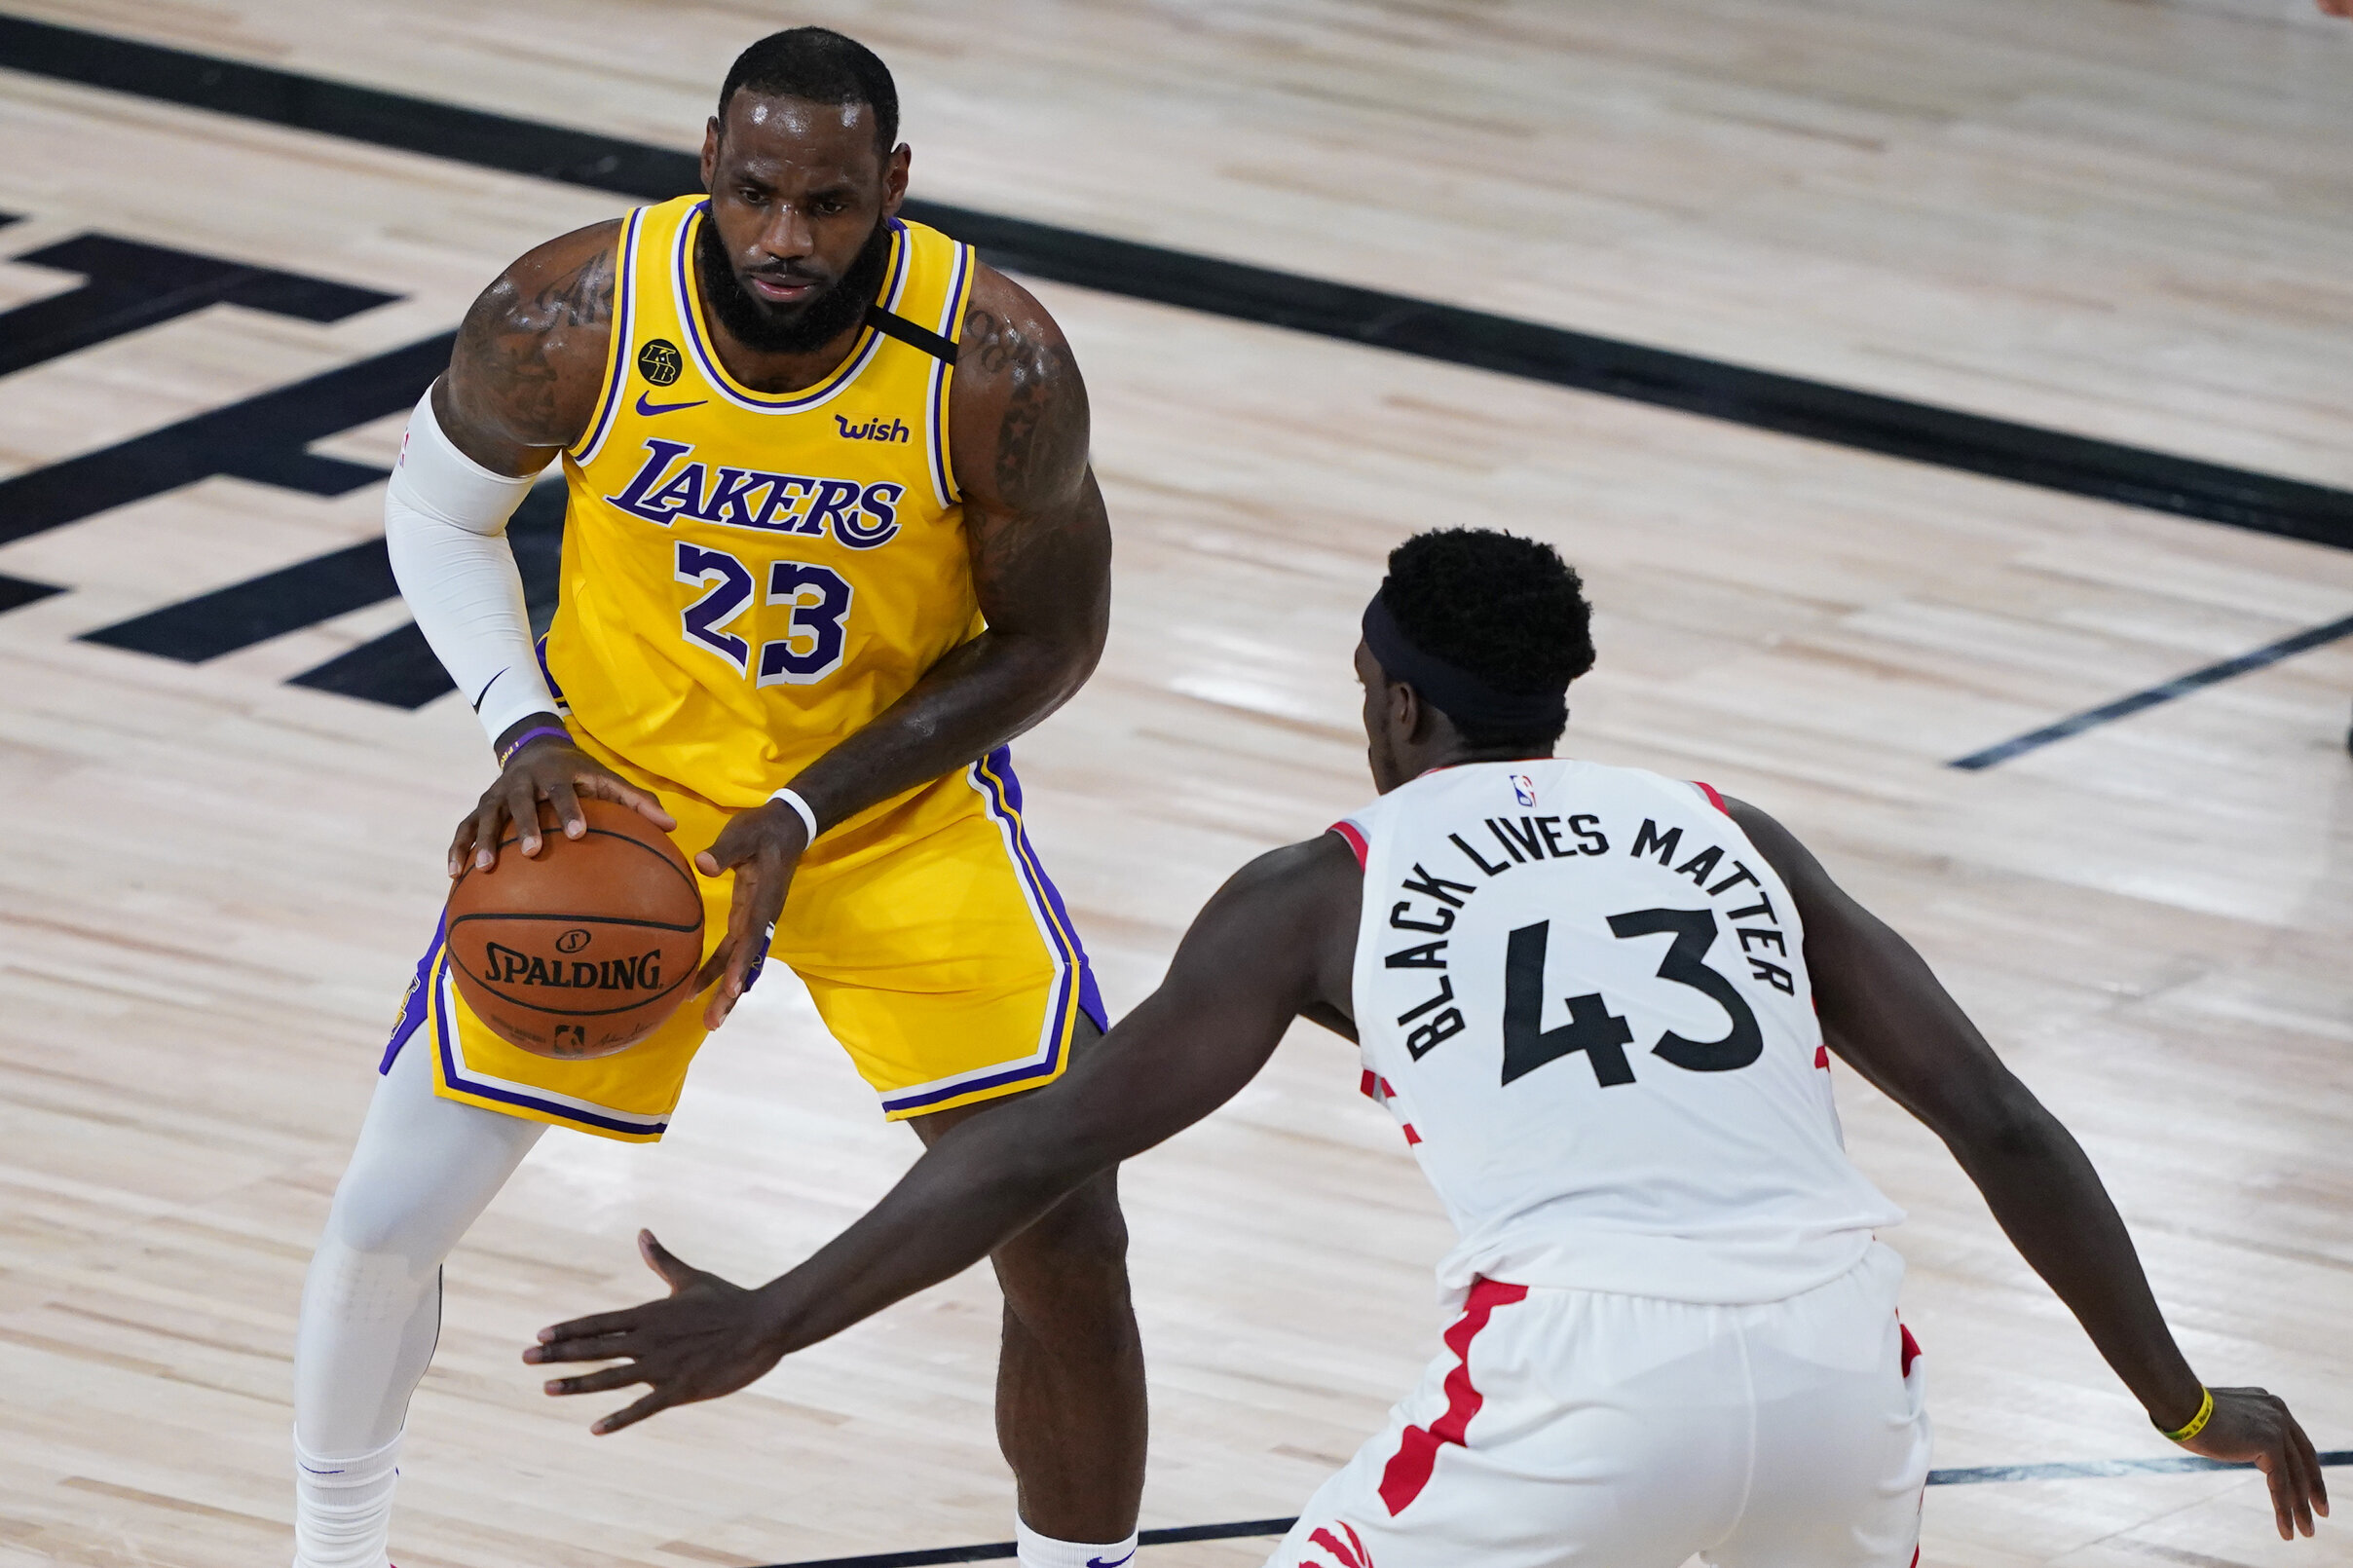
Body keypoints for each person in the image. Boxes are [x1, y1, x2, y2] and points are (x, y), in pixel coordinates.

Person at [527, 528, 2327, 1566]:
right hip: (1853, 1365)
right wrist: (2178, 1397)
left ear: (1392, 697)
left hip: (1586, 1367)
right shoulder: (1732, 828)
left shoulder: (1322, 890)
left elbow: (1035, 1149)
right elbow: (2003, 1127)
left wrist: (771, 1317)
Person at [291, 28, 1147, 1568]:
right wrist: (521, 726)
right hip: (621, 812)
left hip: (890, 814)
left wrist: (808, 810)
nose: (784, 238)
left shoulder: (993, 364)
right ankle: (328, 1552)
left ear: (893, 186)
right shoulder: (575, 312)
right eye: (755, 193)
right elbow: (435, 509)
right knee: (380, 1218)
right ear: (706, 159)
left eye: (827, 204)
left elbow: (1055, 639)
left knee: (1069, 1231)